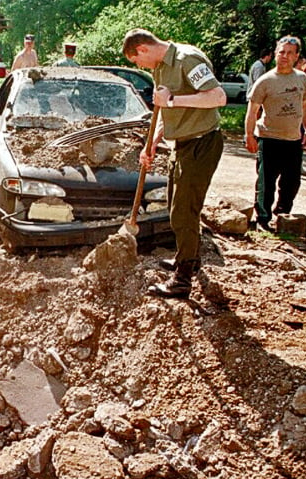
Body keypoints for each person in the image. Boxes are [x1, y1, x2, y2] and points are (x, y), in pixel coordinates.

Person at [122, 29, 226, 298]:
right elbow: (163, 112)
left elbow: (218, 97)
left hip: (201, 143)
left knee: (183, 211)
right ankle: (189, 258)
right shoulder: (160, 68)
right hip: (181, 144)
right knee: (177, 208)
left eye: (136, 61)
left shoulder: (186, 60)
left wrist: (172, 99)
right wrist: (152, 143)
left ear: (143, 49)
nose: (138, 66)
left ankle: (181, 281)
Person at [244, 36, 306, 232]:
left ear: (297, 56)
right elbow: (252, 111)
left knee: (292, 182)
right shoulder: (265, 81)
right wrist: (249, 135)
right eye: (281, 52)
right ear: (275, 54)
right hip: (269, 138)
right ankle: (263, 219)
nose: (284, 56)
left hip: (293, 139)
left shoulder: (301, 79)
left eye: (290, 53)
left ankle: (282, 214)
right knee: (266, 183)